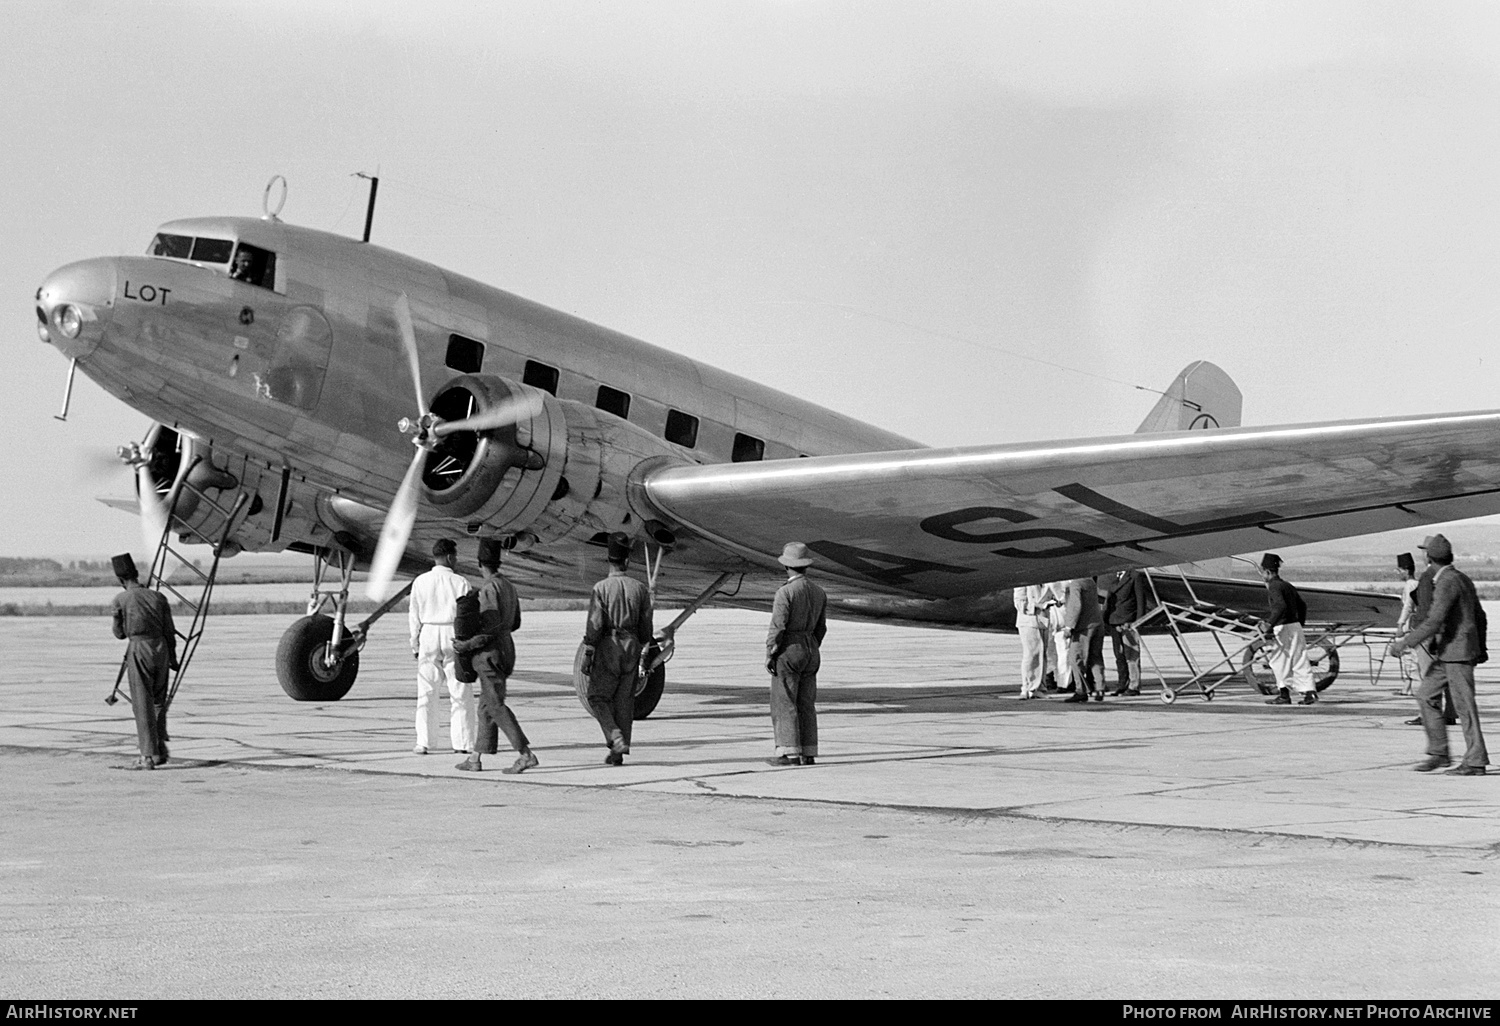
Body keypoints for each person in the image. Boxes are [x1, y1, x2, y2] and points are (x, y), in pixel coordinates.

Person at [1388, 534, 1489, 775]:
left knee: (1465, 708)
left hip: (1457, 654)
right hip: (1448, 652)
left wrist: (1404, 644)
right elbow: (1481, 616)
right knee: (1425, 695)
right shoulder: (1462, 578)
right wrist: (1482, 647)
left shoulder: (1447, 582)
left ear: (1428, 558)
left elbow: (1434, 620)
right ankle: (1439, 752)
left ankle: (1475, 761)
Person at [454, 538, 537, 774]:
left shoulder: (489, 589)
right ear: (497, 563)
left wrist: (465, 645)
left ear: (480, 564)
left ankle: (525, 754)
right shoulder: (509, 586)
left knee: (496, 705)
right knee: (485, 707)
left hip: (490, 655)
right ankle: (475, 758)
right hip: (507, 648)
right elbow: (516, 622)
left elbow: (488, 631)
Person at [582, 532, 654, 766]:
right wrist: (642, 645)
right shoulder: (640, 588)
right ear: (627, 562)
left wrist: (589, 650)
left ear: (609, 561)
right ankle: (618, 753)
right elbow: (646, 626)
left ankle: (614, 736)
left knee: (597, 697)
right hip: (632, 645)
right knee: (625, 701)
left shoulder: (601, 588)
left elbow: (594, 624)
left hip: (609, 645)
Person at [109, 553, 178, 770]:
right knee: (158, 701)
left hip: (139, 649)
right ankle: (160, 750)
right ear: (137, 574)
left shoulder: (120, 599)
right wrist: (173, 658)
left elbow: (119, 634)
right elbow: (170, 631)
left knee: (142, 704)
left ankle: (147, 756)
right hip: (162, 650)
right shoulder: (159, 597)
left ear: (121, 579)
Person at [408, 538, 475, 756]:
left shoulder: (420, 581)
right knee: (460, 690)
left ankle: (424, 742)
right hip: (453, 633)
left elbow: (414, 614)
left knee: (427, 690)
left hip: (428, 632)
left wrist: (414, 642)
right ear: (449, 557)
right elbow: (468, 614)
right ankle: (463, 743)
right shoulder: (461, 582)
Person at [766, 542, 828, 765]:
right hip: (811, 648)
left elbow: (778, 626)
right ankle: (809, 752)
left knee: (785, 701)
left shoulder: (785, 592)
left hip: (790, 649)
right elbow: (822, 628)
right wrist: (811, 646)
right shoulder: (819, 592)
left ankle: (789, 752)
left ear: (786, 566)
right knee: (806, 703)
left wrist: (770, 652)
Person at [1399, 550, 1457, 727]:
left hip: (1427, 634)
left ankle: (1429, 715)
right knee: (1444, 674)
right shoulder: (1452, 577)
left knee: (1427, 675)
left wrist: (1409, 634)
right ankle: (1449, 713)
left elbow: (1424, 611)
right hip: (1444, 633)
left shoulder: (1427, 578)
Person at [1257, 553, 1318, 706]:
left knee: (1278, 661)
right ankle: (1310, 693)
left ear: (1268, 572)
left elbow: (1280, 606)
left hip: (1283, 627)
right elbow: (1302, 605)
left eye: (1263, 573)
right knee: (1300, 659)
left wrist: (1269, 624)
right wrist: (1300, 623)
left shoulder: (1274, 586)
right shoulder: (1287, 585)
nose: (1263, 576)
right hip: (1295, 626)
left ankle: (1284, 694)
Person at [1102, 568, 1151, 696]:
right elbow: (1110, 600)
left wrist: (1139, 621)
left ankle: (1134, 685)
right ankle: (1122, 684)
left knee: (1132, 655)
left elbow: (1141, 599)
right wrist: (1105, 619)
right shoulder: (1112, 576)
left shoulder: (1134, 576)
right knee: (1119, 655)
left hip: (1129, 622)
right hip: (1114, 621)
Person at [1063, 576, 1105, 703]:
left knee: (1075, 659)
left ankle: (1081, 690)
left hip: (1083, 628)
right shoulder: (1090, 581)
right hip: (1097, 623)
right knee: (1095, 657)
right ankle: (1100, 688)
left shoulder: (1076, 583)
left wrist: (1069, 626)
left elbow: (1076, 605)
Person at [1012, 584, 1049, 699]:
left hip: (1043, 621)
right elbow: (1019, 603)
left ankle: (1039, 687)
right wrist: (1038, 606)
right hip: (1028, 622)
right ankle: (1027, 687)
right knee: (1031, 654)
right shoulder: (1023, 582)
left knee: (1042, 654)